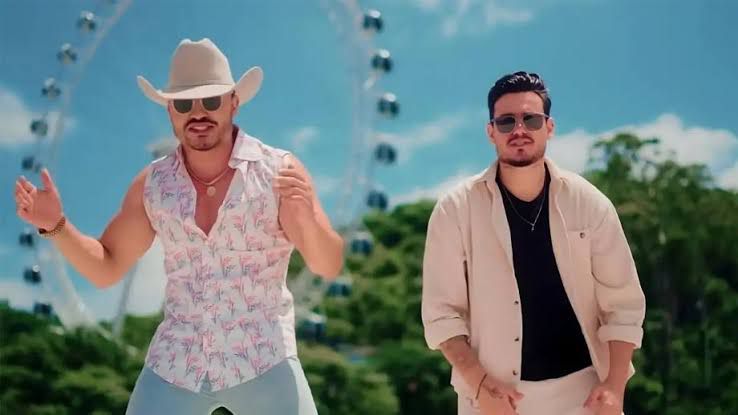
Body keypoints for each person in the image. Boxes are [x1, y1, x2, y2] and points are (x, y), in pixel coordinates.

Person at [13, 38, 344, 415]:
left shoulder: (279, 171)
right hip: (175, 365)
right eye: (185, 104)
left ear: (234, 102)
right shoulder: (152, 185)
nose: (198, 113)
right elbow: (107, 266)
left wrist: (306, 217)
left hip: (264, 359)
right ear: (171, 111)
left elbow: (328, 263)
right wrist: (55, 225)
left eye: (211, 100)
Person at [421, 71, 646, 415]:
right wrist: (479, 385)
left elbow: (623, 304)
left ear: (549, 127)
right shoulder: (455, 210)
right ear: (491, 132)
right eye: (506, 121)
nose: (519, 130)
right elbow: (441, 315)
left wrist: (615, 386)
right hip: (494, 398)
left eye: (531, 119)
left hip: (585, 395)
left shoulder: (589, 202)